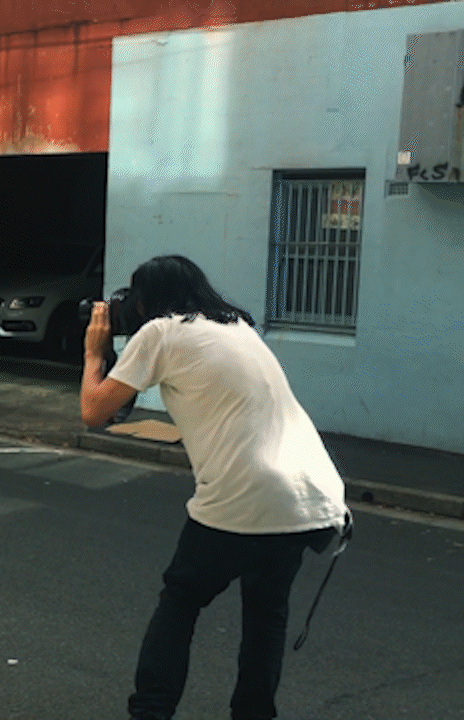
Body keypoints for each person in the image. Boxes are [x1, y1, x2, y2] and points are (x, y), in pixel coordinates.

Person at [79, 255, 350, 720]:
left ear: (148, 300)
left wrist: (93, 352)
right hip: (314, 497)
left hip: (245, 496)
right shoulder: (239, 328)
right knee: (266, 613)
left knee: (181, 599)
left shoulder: (161, 333)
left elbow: (94, 411)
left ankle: (151, 712)